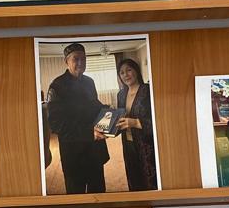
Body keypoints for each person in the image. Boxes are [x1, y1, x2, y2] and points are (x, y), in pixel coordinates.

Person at [45, 42, 109, 194]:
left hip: (94, 150)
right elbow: (56, 124)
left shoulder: (89, 82)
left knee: (98, 192)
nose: (81, 62)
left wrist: (109, 112)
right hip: (74, 153)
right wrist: (89, 133)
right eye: (76, 59)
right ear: (66, 61)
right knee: (76, 194)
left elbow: (94, 106)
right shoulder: (56, 86)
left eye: (83, 58)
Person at [115, 57, 157, 191]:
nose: (125, 75)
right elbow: (120, 118)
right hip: (128, 144)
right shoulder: (121, 95)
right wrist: (108, 128)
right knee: (134, 178)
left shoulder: (148, 91)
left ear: (136, 71)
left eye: (129, 70)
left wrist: (136, 122)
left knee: (150, 180)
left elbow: (158, 119)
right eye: (122, 72)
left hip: (147, 144)